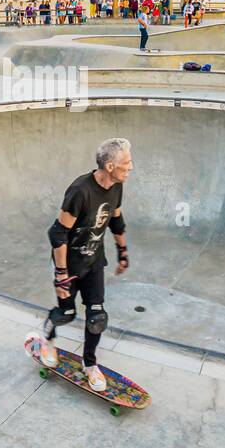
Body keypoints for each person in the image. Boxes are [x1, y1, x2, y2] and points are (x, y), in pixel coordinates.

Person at [37, 138, 133, 392]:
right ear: (110, 166)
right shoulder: (80, 191)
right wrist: (61, 277)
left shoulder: (116, 186)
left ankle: (90, 364)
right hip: (68, 266)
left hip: (93, 263)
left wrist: (122, 251)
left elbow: (116, 220)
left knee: (97, 317)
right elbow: (57, 234)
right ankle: (47, 335)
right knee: (67, 315)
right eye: (126, 162)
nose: (131, 166)